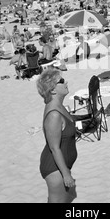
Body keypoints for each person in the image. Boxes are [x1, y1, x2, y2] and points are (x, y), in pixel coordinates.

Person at [37, 69, 77, 203]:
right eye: (61, 81)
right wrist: (66, 174)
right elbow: (54, 148)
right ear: (52, 90)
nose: (66, 82)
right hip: (55, 169)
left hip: (62, 166)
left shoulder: (59, 106)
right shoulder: (54, 114)